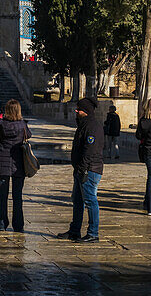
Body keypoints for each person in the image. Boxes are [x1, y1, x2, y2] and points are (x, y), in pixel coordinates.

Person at [63, 97, 104, 243]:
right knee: (77, 200)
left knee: (90, 200)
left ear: (85, 111)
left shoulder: (92, 126)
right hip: (81, 169)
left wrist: (82, 169)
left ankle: (93, 233)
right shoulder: (83, 124)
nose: (76, 111)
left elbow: (90, 151)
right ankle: (74, 231)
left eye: (79, 109)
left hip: (89, 170)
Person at [0, 99, 30, 231]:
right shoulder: (22, 125)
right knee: (17, 196)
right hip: (18, 163)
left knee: (2, 195)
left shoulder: (1, 124)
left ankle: (2, 223)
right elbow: (29, 135)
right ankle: (18, 224)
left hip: (3, 162)